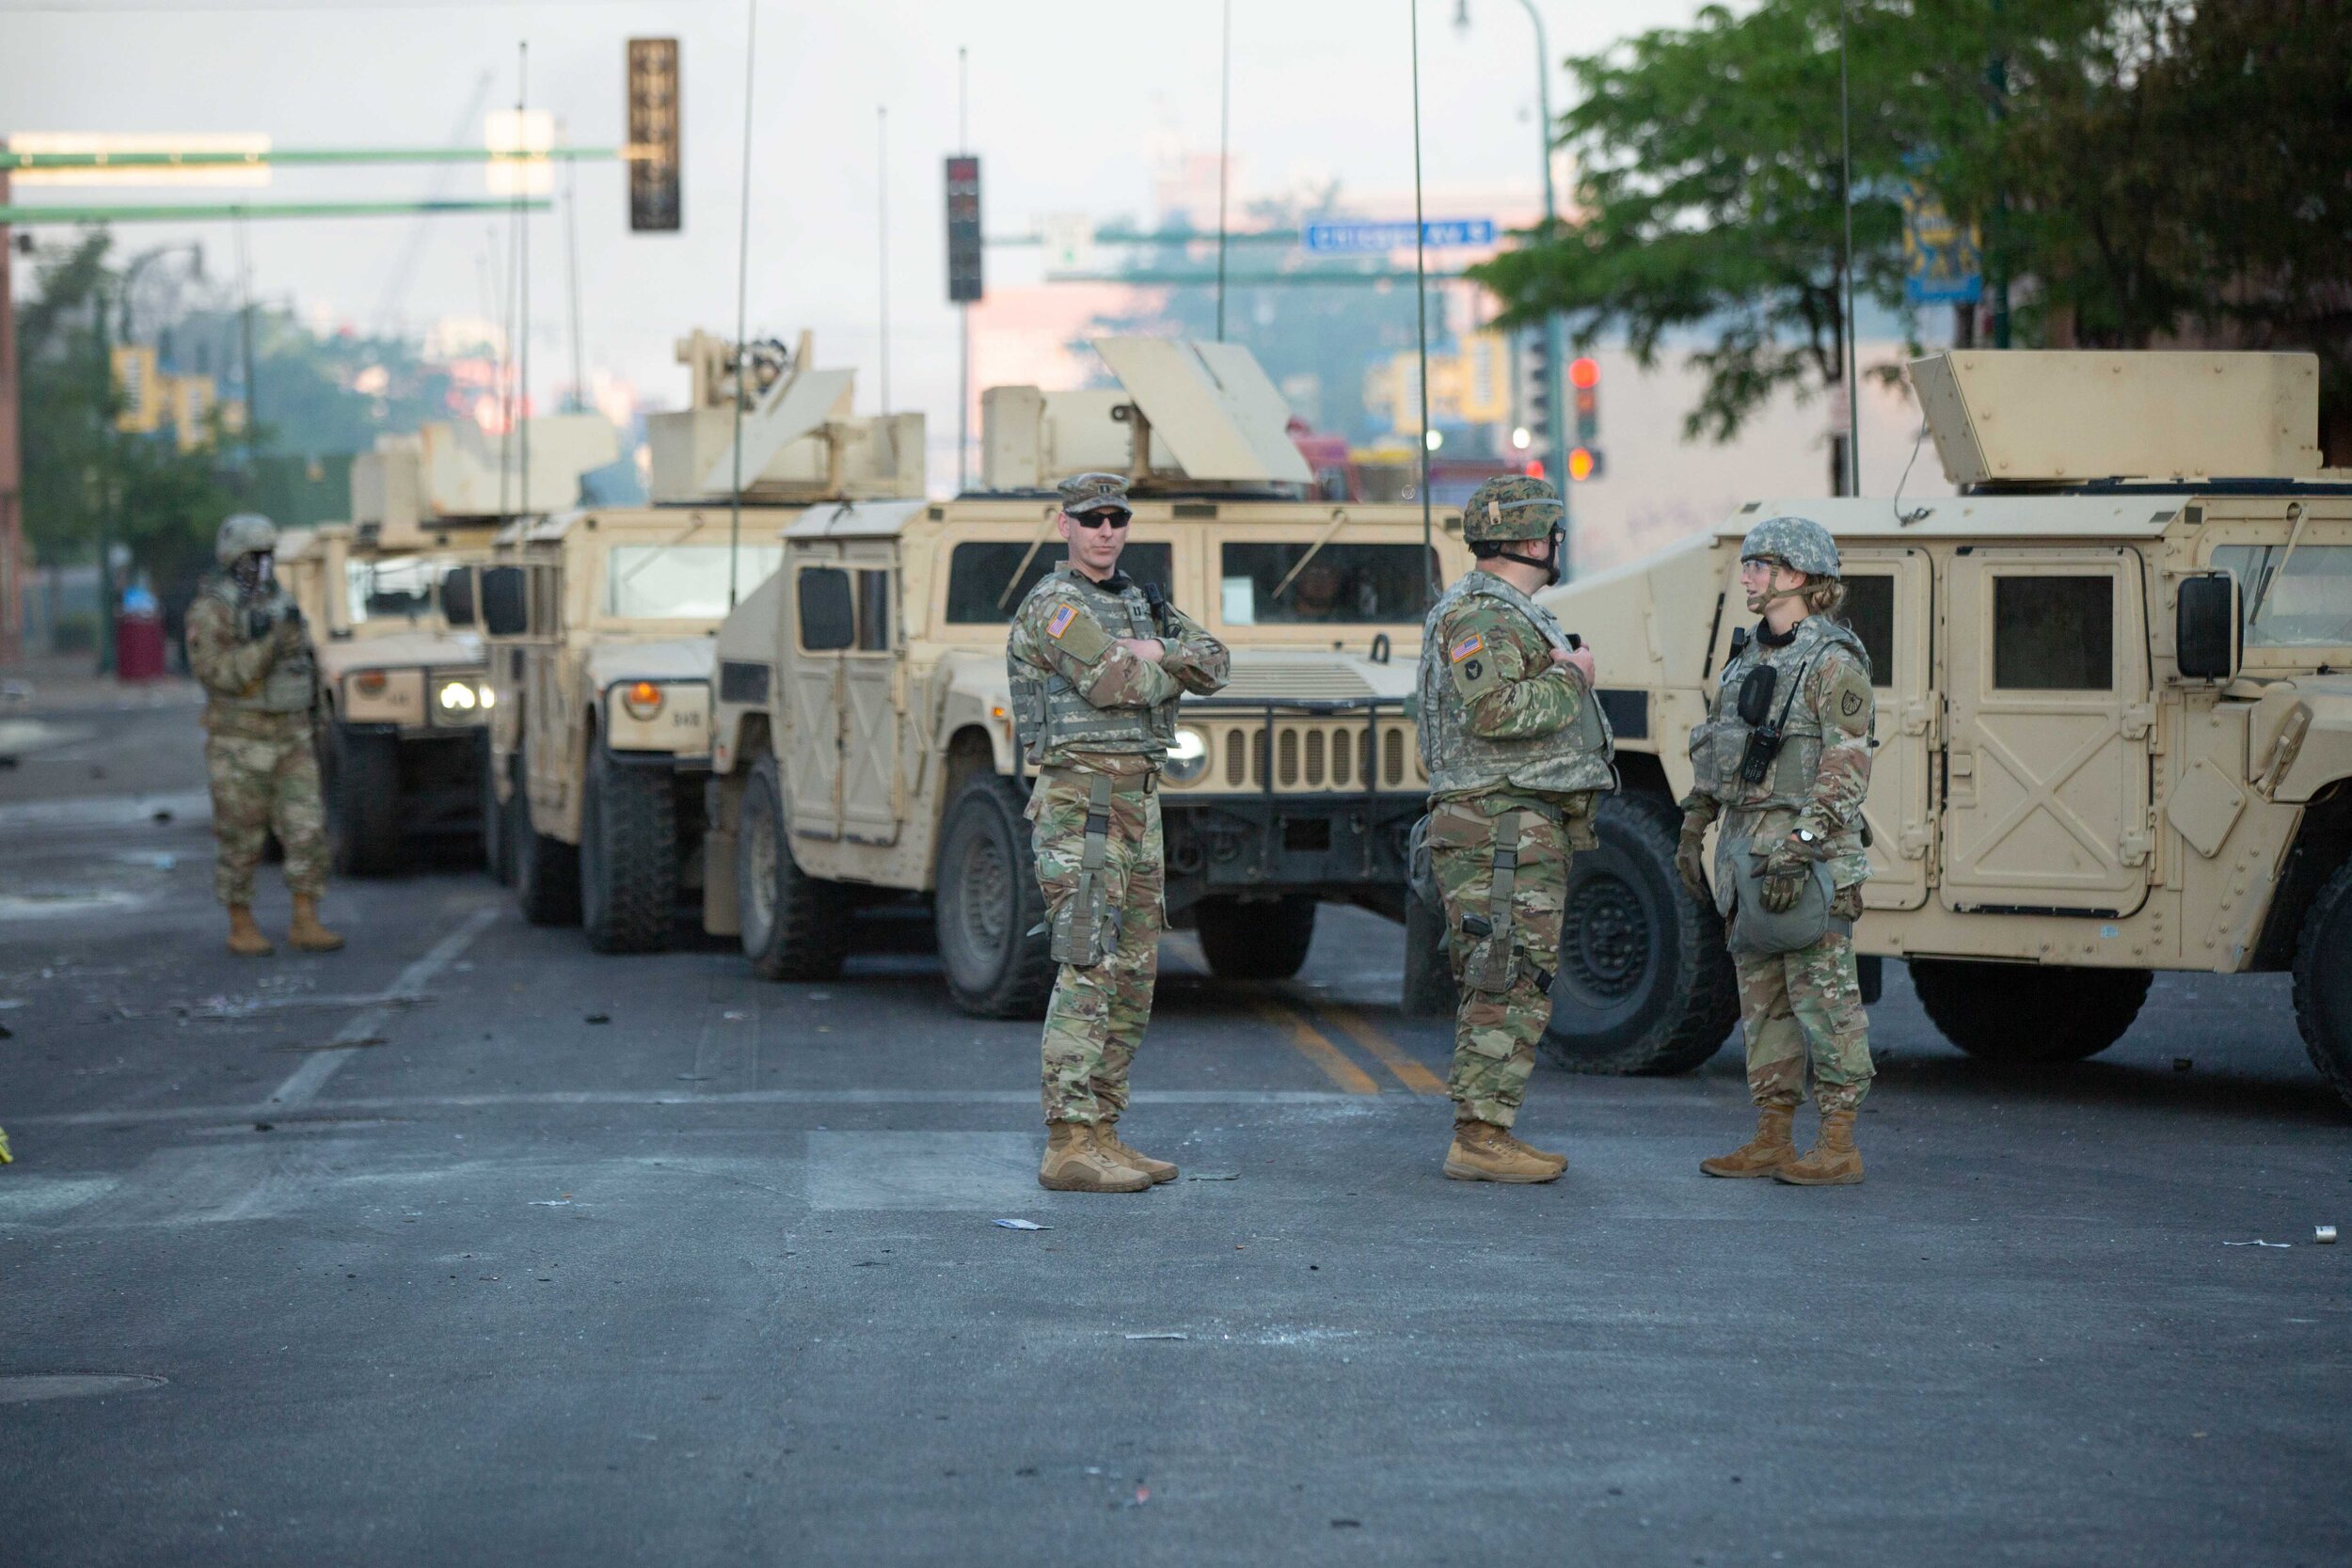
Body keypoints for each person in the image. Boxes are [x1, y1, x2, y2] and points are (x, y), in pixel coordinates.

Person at [1008, 473, 1230, 1193]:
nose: (1106, 530)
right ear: (1063, 525)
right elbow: (1112, 683)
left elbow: (1218, 663)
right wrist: (1161, 656)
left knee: (1133, 972)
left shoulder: (1141, 599)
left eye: (1116, 518)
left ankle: (1103, 1129)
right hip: (1085, 804)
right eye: (1091, 518)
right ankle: (1067, 1139)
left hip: (1139, 799)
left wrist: (1150, 647)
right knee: (1088, 963)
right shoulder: (1055, 607)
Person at [1416, 475, 1613, 1182]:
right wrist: (1575, 679)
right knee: (1503, 973)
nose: (1557, 545)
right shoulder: (1480, 615)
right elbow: (1492, 711)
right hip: (1497, 826)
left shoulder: (1511, 612)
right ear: (1535, 541)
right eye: (1553, 534)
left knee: (1514, 974)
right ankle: (1479, 1136)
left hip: (1515, 824)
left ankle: (1490, 1126)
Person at [1678, 516, 1875, 1185]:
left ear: (1797, 576)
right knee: (1763, 1007)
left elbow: (1847, 765)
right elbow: (1720, 751)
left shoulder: (1832, 662)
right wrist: (1694, 820)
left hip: (1809, 862)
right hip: (1746, 859)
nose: (1748, 575)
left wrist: (1806, 843)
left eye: (1760, 564)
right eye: (1748, 564)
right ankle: (1771, 1136)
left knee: (1826, 1002)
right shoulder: (1747, 659)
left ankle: (1839, 1141)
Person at [184, 514, 344, 958]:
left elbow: (306, 665)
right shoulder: (213, 609)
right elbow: (219, 674)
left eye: (268, 556)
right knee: (241, 837)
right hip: (240, 742)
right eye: (254, 558)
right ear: (234, 560)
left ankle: (306, 917)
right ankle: (241, 923)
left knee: (307, 829)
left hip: (291, 735)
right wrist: (269, 647)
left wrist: (314, 715)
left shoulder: (280, 603)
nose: (263, 567)